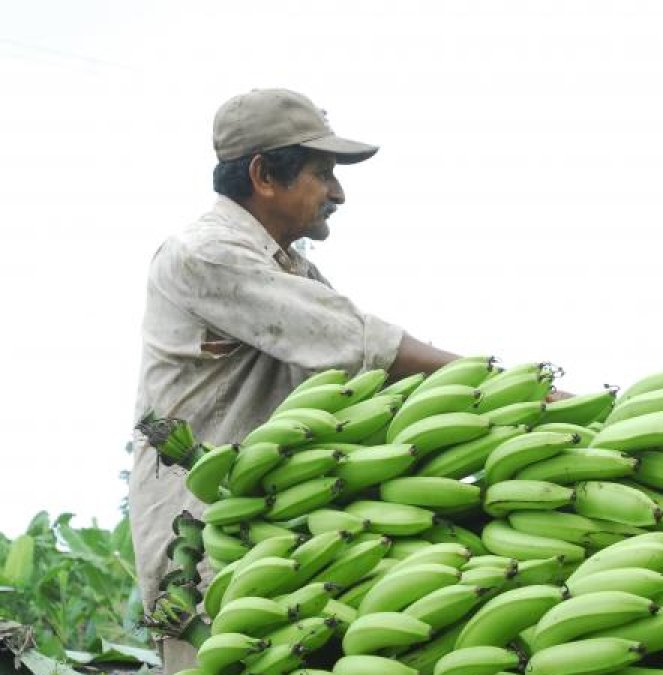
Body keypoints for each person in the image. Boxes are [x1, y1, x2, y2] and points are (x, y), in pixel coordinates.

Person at [129, 88, 462, 672]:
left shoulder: (291, 266)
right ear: (262, 175)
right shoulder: (205, 254)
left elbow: (363, 380)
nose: (337, 193)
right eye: (322, 173)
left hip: (278, 516)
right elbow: (359, 342)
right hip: (205, 532)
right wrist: (509, 385)